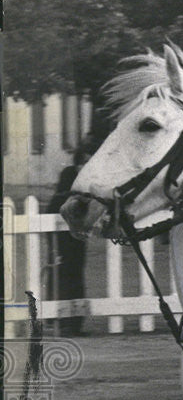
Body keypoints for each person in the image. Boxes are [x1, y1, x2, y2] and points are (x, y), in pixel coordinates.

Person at [47, 136, 97, 335]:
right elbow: (56, 202)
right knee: (60, 273)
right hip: (59, 233)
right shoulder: (69, 174)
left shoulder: (93, 179)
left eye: (90, 161)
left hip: (77, 233)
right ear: (78, 160)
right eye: (84, 160)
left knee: (76, 274)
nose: (86, 165)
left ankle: (75, 323)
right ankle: (60, 320)